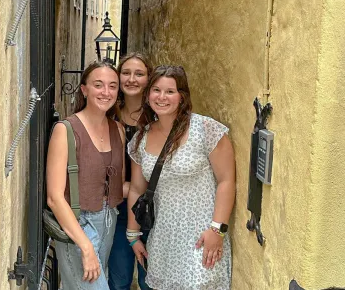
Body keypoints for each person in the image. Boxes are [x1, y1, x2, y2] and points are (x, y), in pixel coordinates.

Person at [127, 65, 236, 290]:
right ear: (148, 96)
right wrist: (133, 235)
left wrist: (217, 230)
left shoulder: (206, 129)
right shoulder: (141, 138)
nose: (162, 97)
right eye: (156, 90)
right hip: (164, 241)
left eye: (170, 91)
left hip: (202, 238)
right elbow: (137, 189)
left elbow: (226, 181)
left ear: (182, 97)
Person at [46, 61, 126, 290]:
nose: (106, 92)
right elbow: (54, 197)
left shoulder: (117, 130)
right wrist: (86, 246)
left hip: (109, 220)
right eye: (98, 85)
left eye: (112, 86)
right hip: (79, 224)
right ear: (84, 89)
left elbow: (117, 184)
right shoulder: (66, 130)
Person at [108, 53, 153, 290]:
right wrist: (118, 188)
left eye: (139, 74)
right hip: (118, 208)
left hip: (154, 210)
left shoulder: (158, 116)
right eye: (126, 73)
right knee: (119, 278)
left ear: (149, 78)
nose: (132, 79)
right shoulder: (109, 116)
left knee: (151, 279)